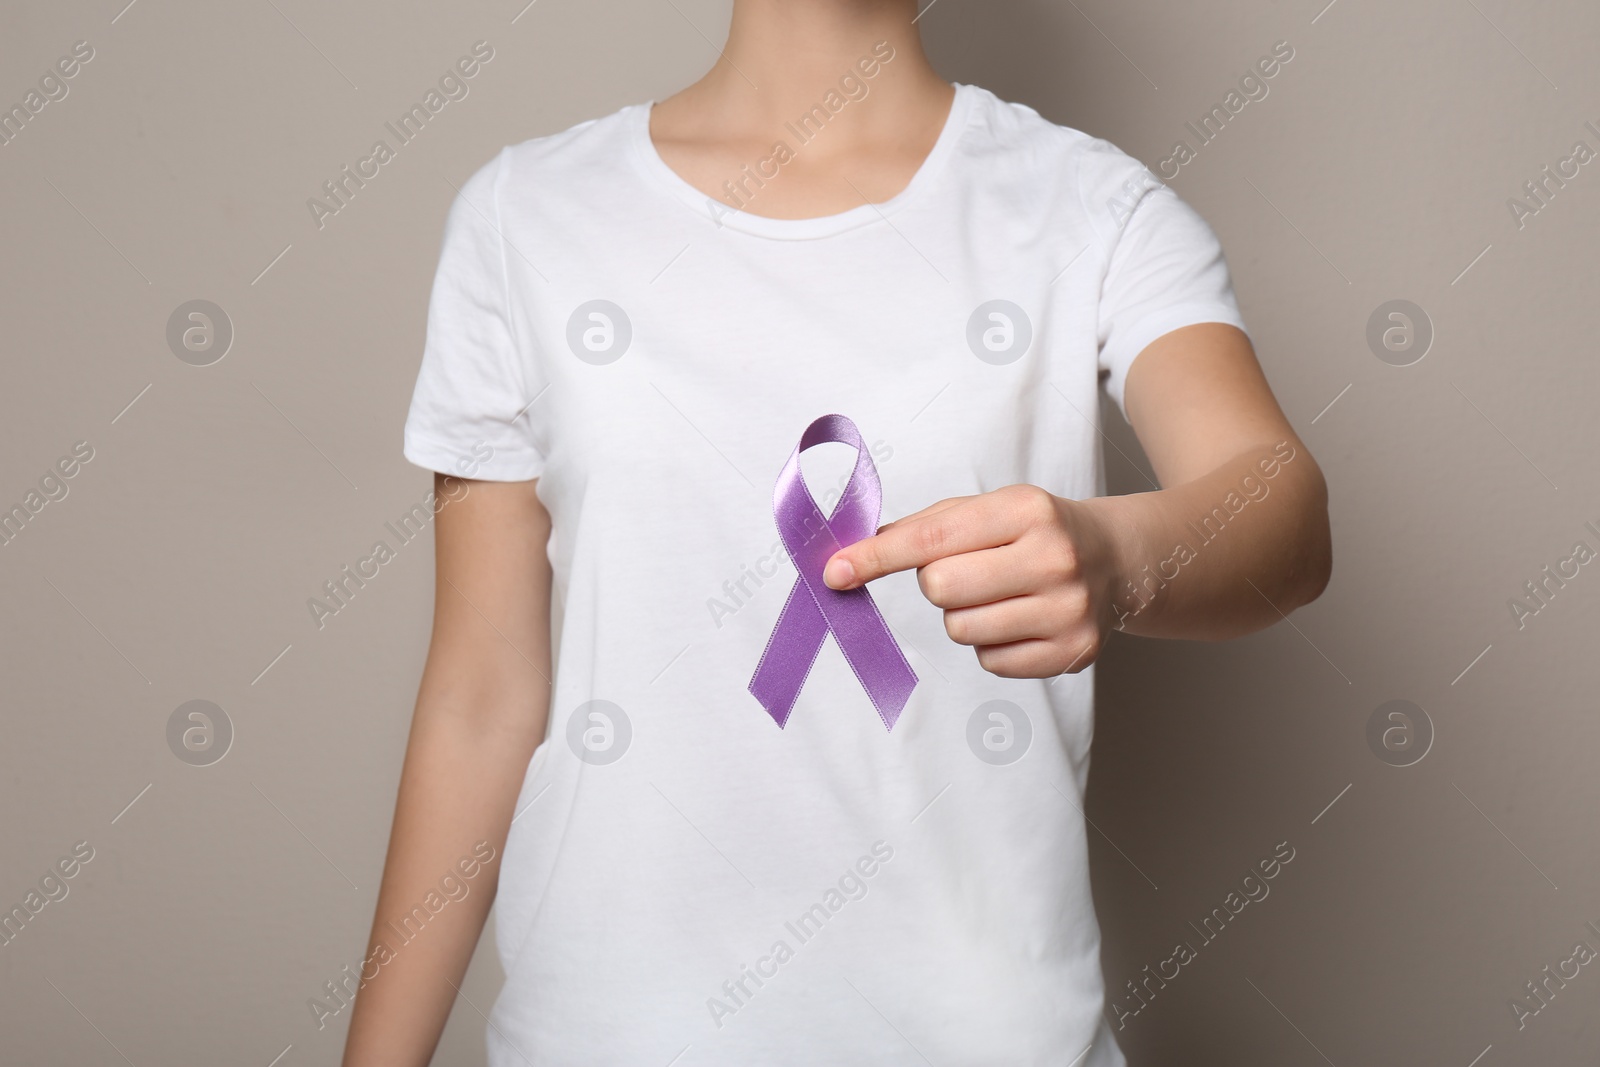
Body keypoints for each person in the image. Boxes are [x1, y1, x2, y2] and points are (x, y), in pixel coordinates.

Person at [343, 2, 1332, 1064]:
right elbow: (480, 692)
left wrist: (1122, 556)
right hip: (611, 1032)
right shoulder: (524, 216)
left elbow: (1278, 509)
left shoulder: (1089, 207)